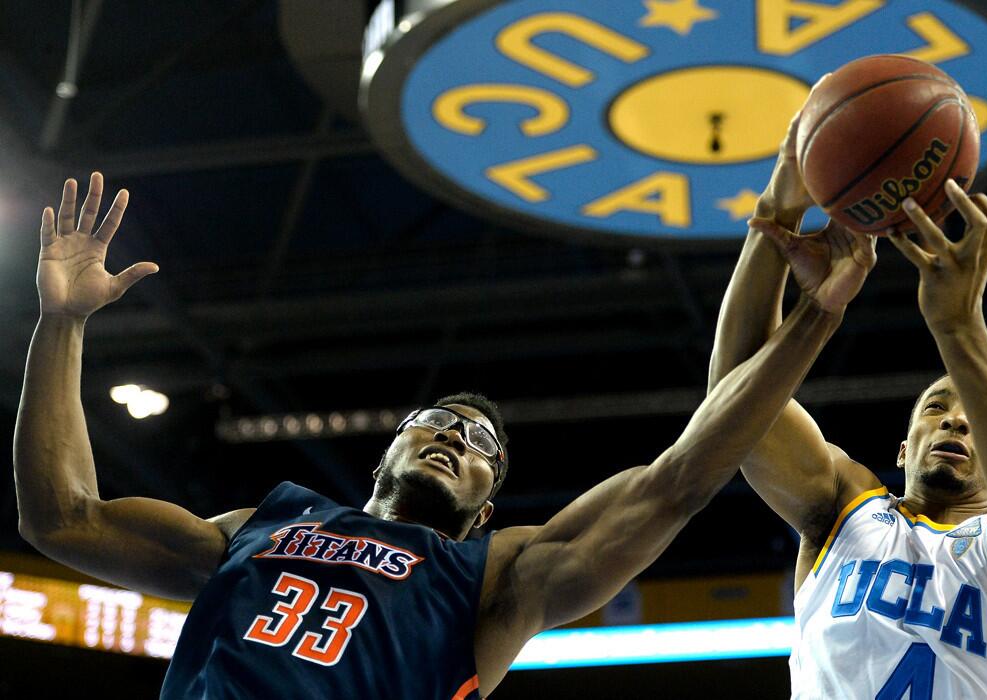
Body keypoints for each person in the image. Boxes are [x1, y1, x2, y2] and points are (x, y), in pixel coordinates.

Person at [14, 168, 874, 699]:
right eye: (438, 423)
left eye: (481, 449)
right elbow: (64, 520)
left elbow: (679, 478)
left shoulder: (494, 578)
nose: (457, 438)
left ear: (485, 509)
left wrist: (814, 319)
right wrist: (63, 325)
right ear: (386, 448)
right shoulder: (266, 525)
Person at [708, 119, 987, 698]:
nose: (955, 419)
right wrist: (777, 213)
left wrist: (960, 328)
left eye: (973, 417)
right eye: (936, 406)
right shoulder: (844, 507)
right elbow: (734, 407)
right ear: (903, 445)